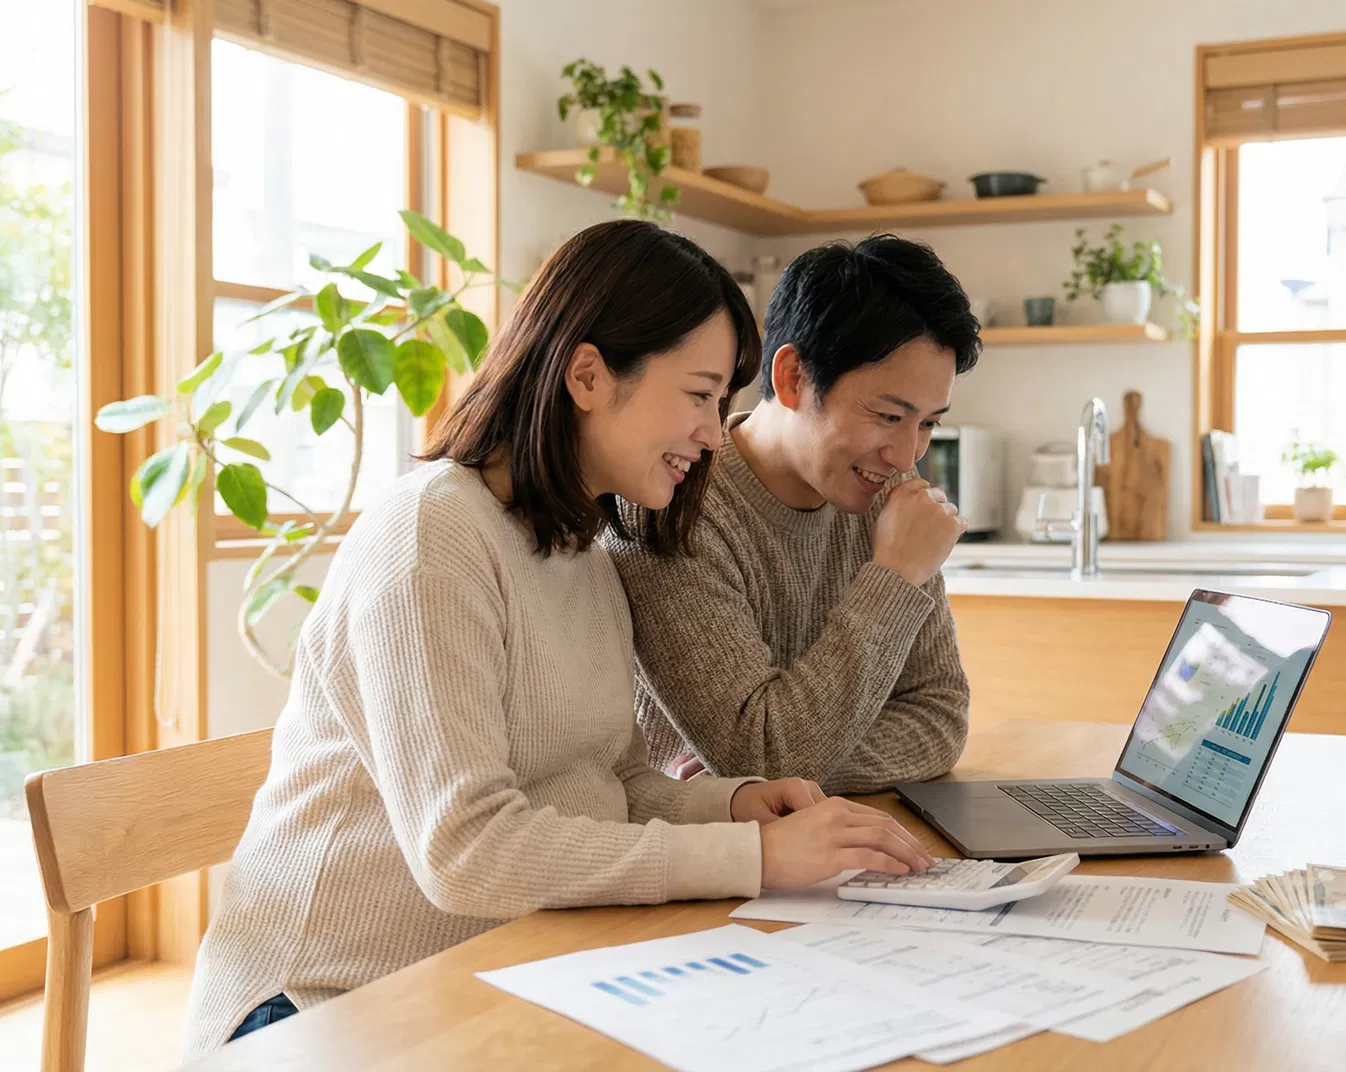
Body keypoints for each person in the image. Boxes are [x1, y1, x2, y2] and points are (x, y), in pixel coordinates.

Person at [181, 220, 933, 1058]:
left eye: (721, 405)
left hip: (501, 966)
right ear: (587, 374)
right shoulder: (432, 532)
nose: (715, 434)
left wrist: (726, 803)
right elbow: (466, 850)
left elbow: (600, 782)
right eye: (697, 396)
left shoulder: (578, 544)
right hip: (323, 1002)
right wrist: (751, 855)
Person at [606, 234, 980, 797]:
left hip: (812, 838)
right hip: (699, 864)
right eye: (887, 416)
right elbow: (762, 752)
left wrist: (784, 776)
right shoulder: (672, 506)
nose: (907, 457)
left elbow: (940, 717)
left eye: (927, 424)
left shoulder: (885, 494)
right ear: (792, 378)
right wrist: (893, 578)